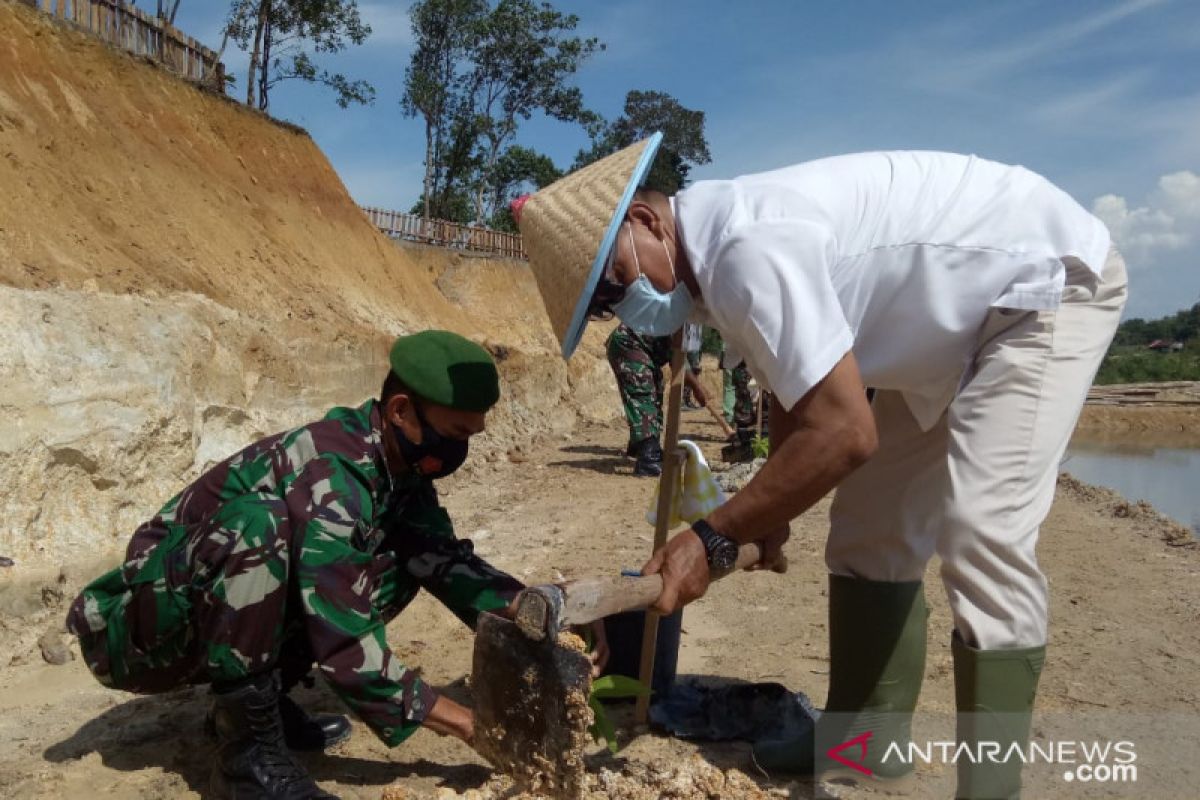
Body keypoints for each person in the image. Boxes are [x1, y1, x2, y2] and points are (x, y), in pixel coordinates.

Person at [514, 136, 1126, 798]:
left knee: (982, 531)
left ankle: (991, 789)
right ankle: (865, 743)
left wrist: (712, 537)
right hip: (941, 335)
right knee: (869, 529)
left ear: (644, 219)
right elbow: (792, 388)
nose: (622, 303)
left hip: (1041, 284)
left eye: (614, 279)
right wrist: (769, 517)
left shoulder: (744, 247)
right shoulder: (711, 270)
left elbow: (843, 432)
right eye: (606, 305)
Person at [65, 330, 607, 800]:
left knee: (400, 559)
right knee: (265, 528)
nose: (460, 450)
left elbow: (445, 563)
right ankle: (246, 760)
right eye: (457, 434)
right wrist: (471, 727)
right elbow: (345, 642)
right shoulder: (333, 472)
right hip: (138, 634)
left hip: (202, 615)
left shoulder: (397, 469)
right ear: (400, 411)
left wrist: (538, 613)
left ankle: (258, 709)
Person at [607, 322, 708, 476]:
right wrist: (697, 388)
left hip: (645, 350)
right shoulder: (683, 314)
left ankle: (640, 445)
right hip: (629, 343)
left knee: (656, 390)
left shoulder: (694, 321)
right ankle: (648, 459)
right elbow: (678, 361)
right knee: (643, 394)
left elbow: (679, 358)